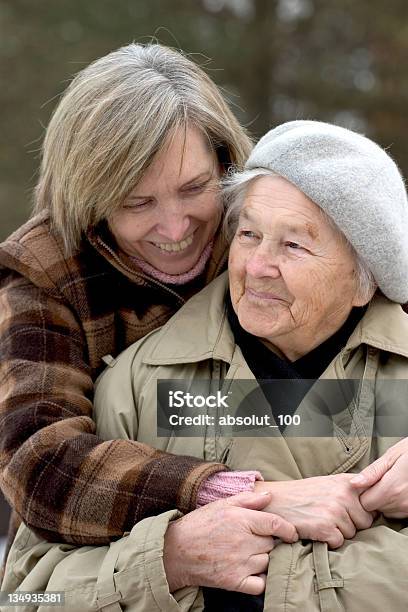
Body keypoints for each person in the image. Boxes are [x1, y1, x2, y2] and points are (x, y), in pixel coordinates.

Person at [3, 120, 408, 612]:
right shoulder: (138, 383)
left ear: (367, 279)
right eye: (249, 233)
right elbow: (25, 596)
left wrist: (242, 579)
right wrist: (172, 559)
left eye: (294, 245)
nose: (257, 266)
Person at [0, 42, 256, 562]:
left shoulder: (266, 230)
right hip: (101, 561)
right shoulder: (45, 272)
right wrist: (210, 490)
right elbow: (38, 463)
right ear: (89, 196)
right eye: (138, 203)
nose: (176, 227)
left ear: (225, 162)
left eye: (194, 188)